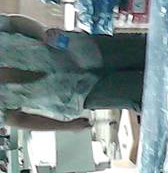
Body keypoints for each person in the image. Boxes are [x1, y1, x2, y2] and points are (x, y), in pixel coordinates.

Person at [0, 15, 147, 131]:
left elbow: (13, 23)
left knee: (146, 50)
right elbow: (18, 119)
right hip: (76, 94)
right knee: (143, 93)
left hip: (76, 48)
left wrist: (42, 33)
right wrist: (67, 126)